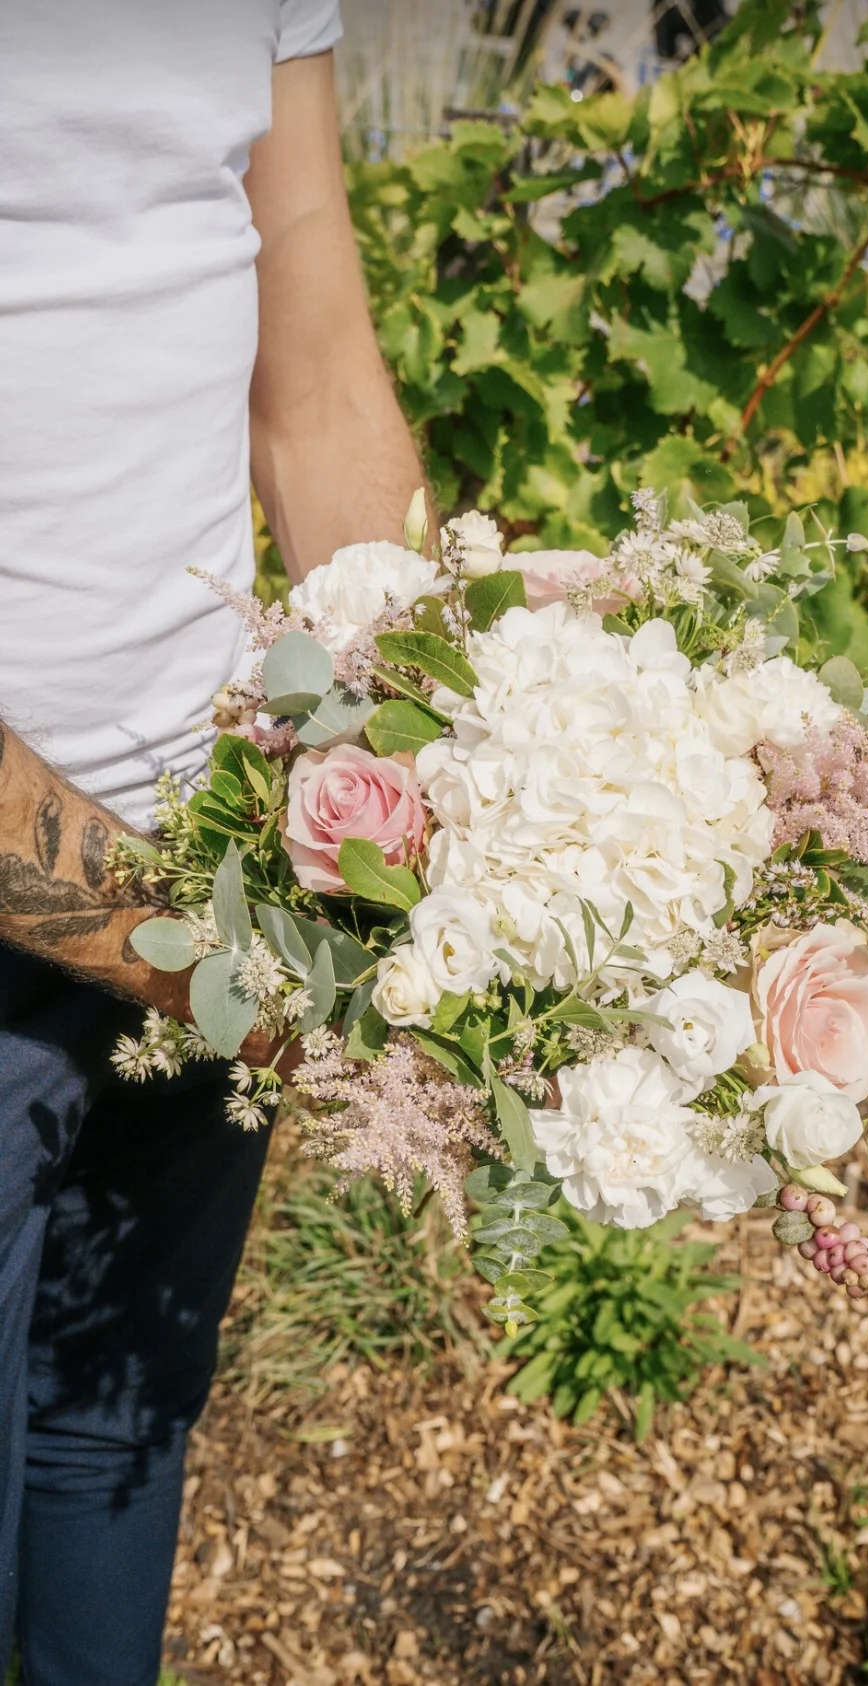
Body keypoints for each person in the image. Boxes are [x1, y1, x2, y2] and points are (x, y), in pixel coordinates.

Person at [0, 5, 427, 1679]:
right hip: (159, 937)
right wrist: (190, 954)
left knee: (113, 1433)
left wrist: (424, 789)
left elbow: (314, 373)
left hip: (219, 869)